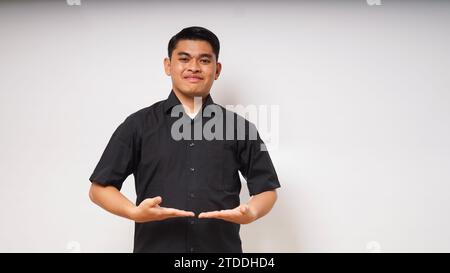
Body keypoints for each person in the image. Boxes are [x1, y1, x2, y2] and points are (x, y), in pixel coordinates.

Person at [89, 26, 281, 253]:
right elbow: (99, 189)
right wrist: (134, 212)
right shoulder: (138, 124)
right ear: (168, 66)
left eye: (204, 60)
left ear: (217, 69)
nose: (194, 67)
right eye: (184, 59)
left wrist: (253, 212)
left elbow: (267, 189)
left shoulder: (239, 127)